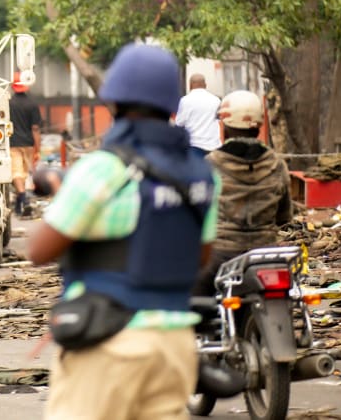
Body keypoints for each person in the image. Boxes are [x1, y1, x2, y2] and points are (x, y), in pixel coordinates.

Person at [27, 44, 220, 420]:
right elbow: (199, 257)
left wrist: (62, 190)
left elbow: (39, 250)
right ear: (172, 106)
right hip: (175, 346)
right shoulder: (203, 176)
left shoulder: (103, 169)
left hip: (109, 340)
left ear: (114, 101)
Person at [193, 90, 291, 295]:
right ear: (259, 126)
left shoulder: (209, 165)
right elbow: (284, 216)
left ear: (224, 127)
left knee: (194, 301)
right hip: (265, 253)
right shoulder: (277, 164)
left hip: (221, 255)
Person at [9, 71, 42, 216]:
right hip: (28, 143)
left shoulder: (8, 103)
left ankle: (23, 199)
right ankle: (22, 202)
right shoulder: (32, 104)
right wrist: (37, 148)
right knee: (24, 172)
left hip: (13, 143)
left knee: (16, 173)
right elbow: (35, 128)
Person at [174, 73, 222, 156]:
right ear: (205, 85)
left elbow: (179, 123)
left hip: (194, 146)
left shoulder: (184, 101)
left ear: (190, 85)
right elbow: (220, 122)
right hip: (213, 146)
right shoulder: (216, 100)